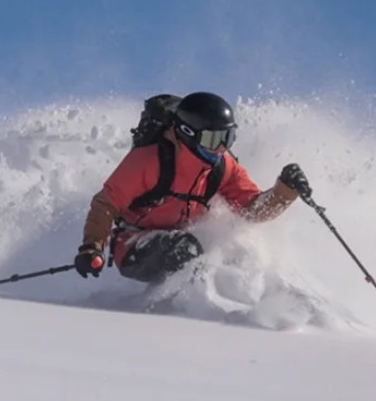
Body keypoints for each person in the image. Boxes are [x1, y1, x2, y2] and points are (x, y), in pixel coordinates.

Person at [76, 91, 312, 283]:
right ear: (188, 134)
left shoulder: (223, 167)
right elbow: (106, 204)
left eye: (228, 138)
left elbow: (251, 210)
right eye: (213, 140)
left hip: (183, 238)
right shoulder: (148, 161)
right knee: (186, 249)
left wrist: (285, 192)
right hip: (134, 244)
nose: (220, 148)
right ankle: (182, 313)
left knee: (233, 251)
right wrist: (92, 247)